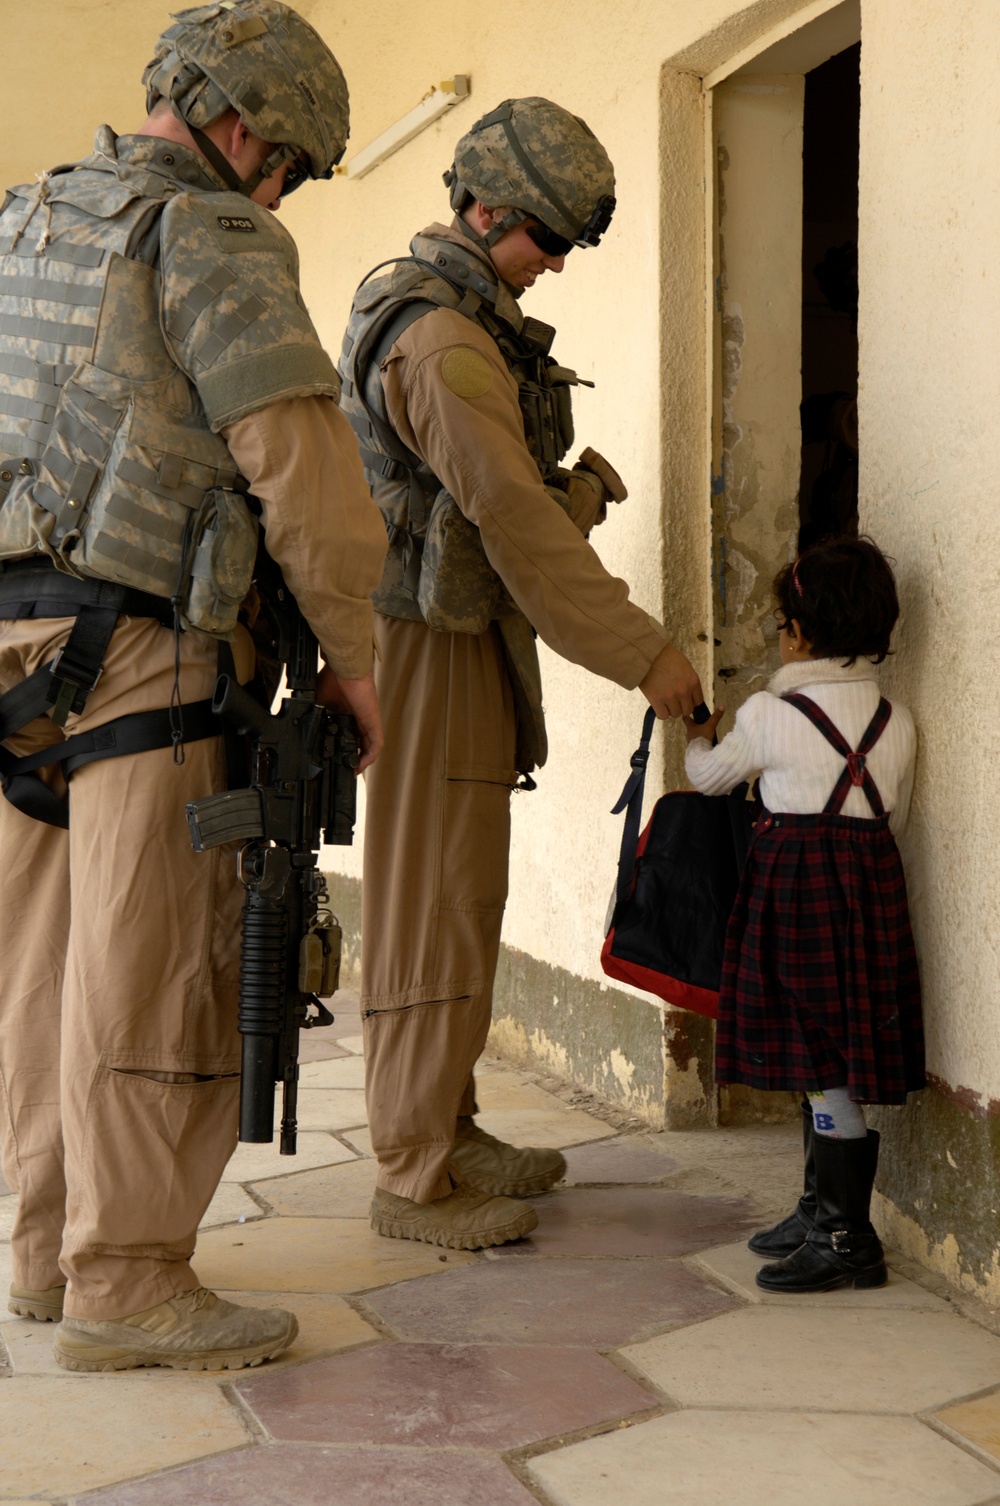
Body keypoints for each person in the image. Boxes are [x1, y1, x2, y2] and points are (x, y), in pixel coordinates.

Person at [0, 1, 387, 1371]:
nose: (281, 190)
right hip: (147, 657)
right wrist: (358, 657)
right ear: (243, 129)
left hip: (17, 658)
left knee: (45, 972)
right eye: (289, 164)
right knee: (151, 967)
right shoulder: (212, 231)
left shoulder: (23, 219)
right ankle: (128, 1278)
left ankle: (48, 1253)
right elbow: (302, 470)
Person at [338, 96, 703, 1251]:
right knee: (430, 909)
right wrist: (644, 655)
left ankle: (446, 1121)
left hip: (456, 643)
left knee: (462, 900)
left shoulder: (460, 319)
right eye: (542, 239)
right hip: (425, 649)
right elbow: (515, 530)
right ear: (482, 206)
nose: (550, 264)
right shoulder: (444, 343)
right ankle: (411, 1173)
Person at [684, 536, 925, 1293]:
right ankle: (820, 1206)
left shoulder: (765, 714)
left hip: (796, 892)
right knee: (835, 1050)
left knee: (819, 1059)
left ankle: (849, 1238)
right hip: (869, 885)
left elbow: (709, 778)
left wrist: (696, 731)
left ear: (799, 632)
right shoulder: (897, 720)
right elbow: (898, 821)